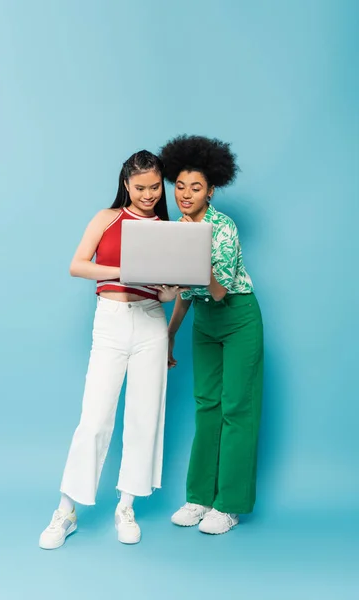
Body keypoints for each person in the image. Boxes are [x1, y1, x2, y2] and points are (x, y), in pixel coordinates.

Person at [39, 150, 181, 549]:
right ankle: (66, 511)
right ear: (126, 184)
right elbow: (78, 265)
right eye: (141, 187)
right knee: (96, 418)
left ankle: (126, 507)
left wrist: (171, 289)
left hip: (152, 321)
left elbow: (167, 293)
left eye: (155, 187)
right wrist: (125, 270)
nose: (149, 194)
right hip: (112, 320)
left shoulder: (165, 228)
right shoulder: (108, 218)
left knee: (143, 417)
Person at [159, 135, 264, 535]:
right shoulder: (177, 227)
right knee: (206, 406)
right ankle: (199, 498)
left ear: (211, 190)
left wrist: (191, 252)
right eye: (180, 186)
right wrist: (170, 334)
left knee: (237, 408)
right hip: (204, 321)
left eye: (195, 187)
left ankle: (230, 504)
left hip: (237, 316)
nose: (185, 195)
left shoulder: (223, 228)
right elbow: (187, 293)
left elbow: (218, 290)